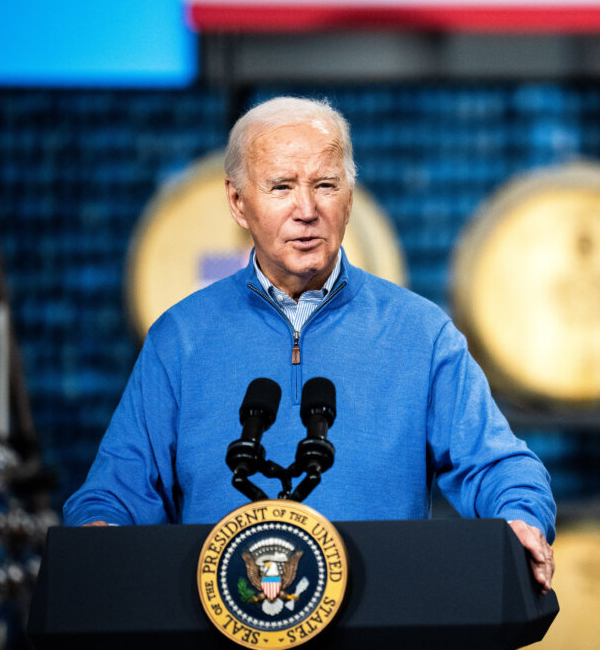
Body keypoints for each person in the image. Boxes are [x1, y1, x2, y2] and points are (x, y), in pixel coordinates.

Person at [63, 96, 555, 592]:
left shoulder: (422, 333)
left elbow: (498, 464)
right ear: (238, 203)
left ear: (350, 196)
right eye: (281, 187)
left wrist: (520, 515)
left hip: (383, 623)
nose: (306, 210)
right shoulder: (181, 337)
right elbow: (115, 491)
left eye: (325, 185)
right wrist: (98, 532)